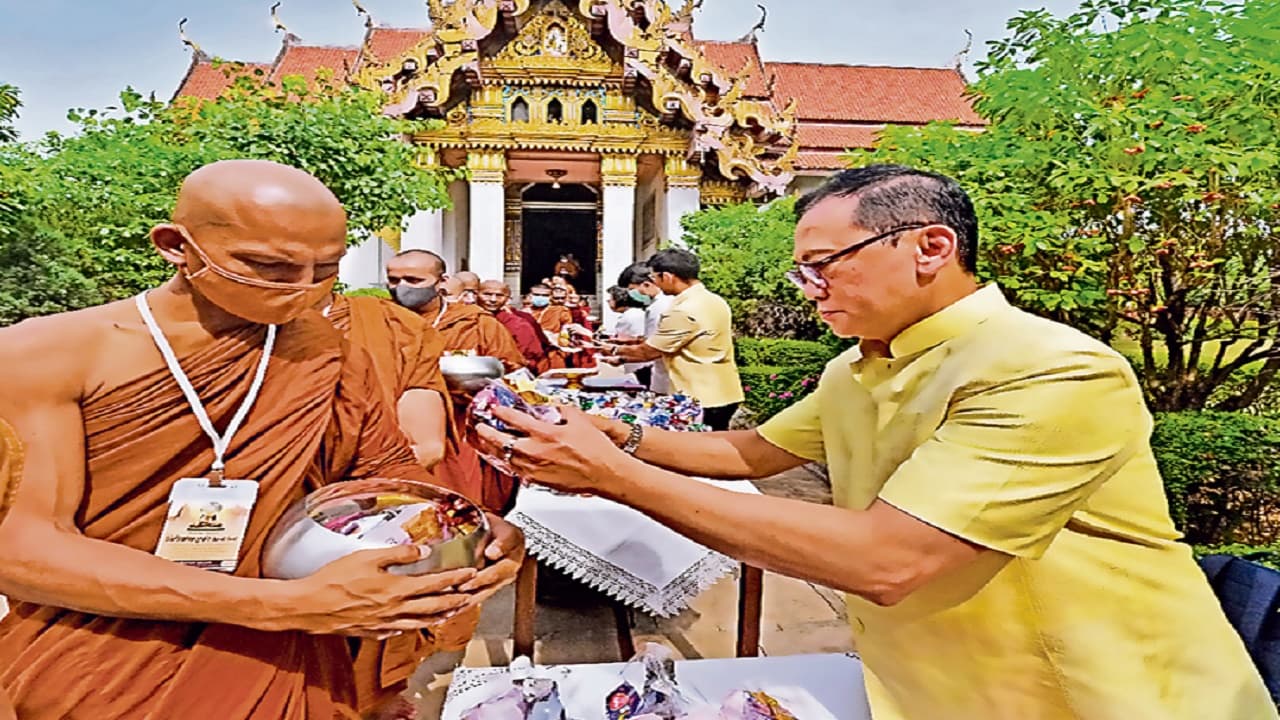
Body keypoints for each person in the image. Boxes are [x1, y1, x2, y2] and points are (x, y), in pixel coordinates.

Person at [475, 165, 1278, 720]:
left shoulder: (1049, 367)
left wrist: (613, 476)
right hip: (930, 686)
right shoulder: (857, 367)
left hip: (1090, 695)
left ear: (931, 248)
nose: (810, 289)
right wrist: (617, 434)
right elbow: (749, 454)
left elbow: (888, 561)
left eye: (824, 265)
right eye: (802, 272)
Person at [0, 160, 524, 720]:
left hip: (290, 652)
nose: (303, 289)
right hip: (106, 655)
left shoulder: (322, 348)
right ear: (176, 246)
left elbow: (385, 476)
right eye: (270, 267)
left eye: (326, 269)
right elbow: (22, 550)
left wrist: (466, 528)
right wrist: (283, 606)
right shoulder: (45, 356)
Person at [385, 250, 525, 513]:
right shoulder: (378, 319)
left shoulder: (476, 322)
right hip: (392, 428)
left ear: (441, 282)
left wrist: (477, 392)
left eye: (413, 280)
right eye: (393, 280)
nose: (401, 287)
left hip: (458, 429)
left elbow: (513, 376)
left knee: (454, 508)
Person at [602, 249, 743, 430]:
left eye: (655, 277)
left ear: (667, 277)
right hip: (724, 390)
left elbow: (648, 352)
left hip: (699, 396)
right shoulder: (714, 300)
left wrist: (613, 351)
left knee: (693, 446)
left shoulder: (683, 310)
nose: (655, 283)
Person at [319, 291, 449, 470]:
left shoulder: (397, 326)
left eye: (414, 280)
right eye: (393, 279)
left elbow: (428, 448)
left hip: (366, 478)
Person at [617, 262, 675, 392]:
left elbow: (652, 347)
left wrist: (618, 353)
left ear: (647, 284)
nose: (631, 295)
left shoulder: (659, 307)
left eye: (632, 290)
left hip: (663, 375)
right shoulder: (661, 303)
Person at [478, 280, 552, 373]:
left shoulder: (519, 323)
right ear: (477, 294)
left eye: (499, 295)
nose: (493, 299)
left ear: (507, 299)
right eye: (487, 294)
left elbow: (533, 355)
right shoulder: (469, 319)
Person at [605, 286, 651, 383]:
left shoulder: (629, 316)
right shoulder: (637, 313)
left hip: (638, 361)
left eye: (611, 299)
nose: (608, 302)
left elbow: (619, 338)